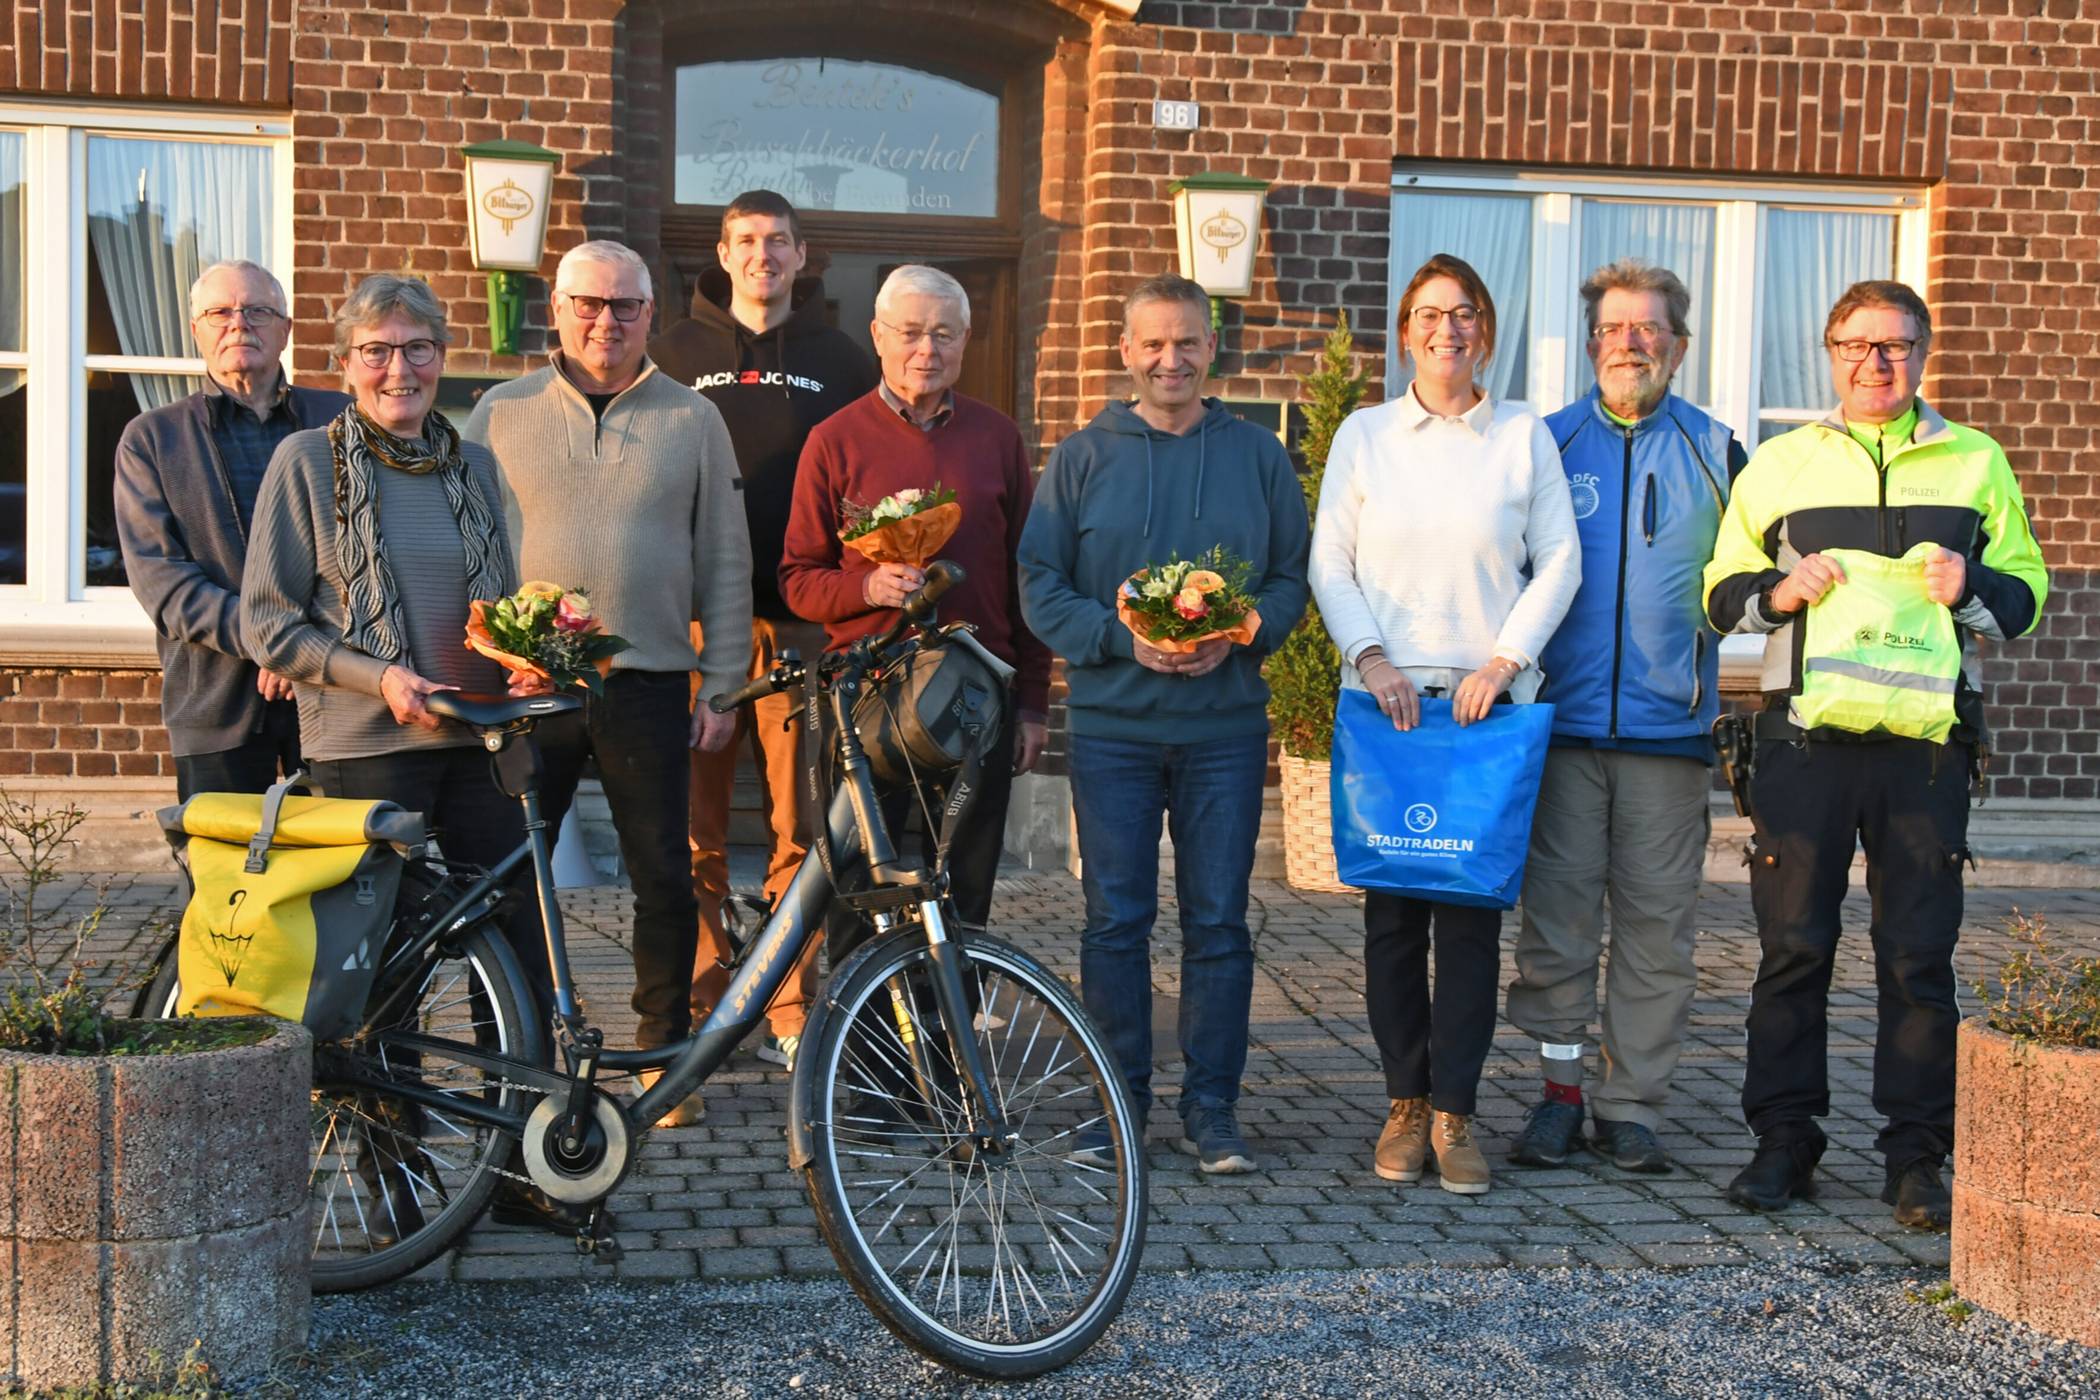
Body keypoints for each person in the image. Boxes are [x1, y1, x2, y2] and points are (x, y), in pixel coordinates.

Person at [241, 273, 588, 1236]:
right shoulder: (306, 465)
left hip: (477, 736)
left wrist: (526, 662)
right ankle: (395, 1171)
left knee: (515, 948)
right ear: (345, 364)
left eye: (420, 347)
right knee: (385, 970)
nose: (401, 367)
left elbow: (498, 605)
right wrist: (375, 677)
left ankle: (522, 1170)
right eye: (379, 350)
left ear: (442, 356)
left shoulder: (473, 467)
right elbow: (269, 625)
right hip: (366, 744)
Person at [1704, 280, 2047, 1230]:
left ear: (1923, 353)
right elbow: (1717, 590)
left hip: (1926, 754)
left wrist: (1970, 579)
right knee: (1792, 951)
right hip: (1803, 746)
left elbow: (2024, 599)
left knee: (1917, 959)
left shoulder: (1977, 461)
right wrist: (1776, 593)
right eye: (1857, 346)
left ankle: (1916, 1158)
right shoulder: (1781, 464)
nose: (1875, 363)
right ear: (1831, 353)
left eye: (1894, 345)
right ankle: (1785, 1144)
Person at [1018, 273, 1309, 1175]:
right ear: (1126, 352)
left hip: (1223, 729)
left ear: (1209, 349)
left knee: (1219, 921)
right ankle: (1120, 1103)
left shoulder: (1258, 455)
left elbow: (1293, 576)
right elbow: (1039, 581)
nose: (1170, 360)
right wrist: (1115, 640)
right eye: (1153, 344)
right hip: (1113, 728)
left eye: (1186, 342)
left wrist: (1244, 631)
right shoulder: (1080, 457)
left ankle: (1213, 1110)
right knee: (1116, 922)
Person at [1309, 253, 1580, 1197]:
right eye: (1429, 314)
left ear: (1486, 330)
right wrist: (1370, 657)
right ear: (1405, 332)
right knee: (1392, 917)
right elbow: (1330, 562)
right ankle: (1404, 1103)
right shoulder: (1366, 435)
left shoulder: (1522, 438)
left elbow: (1558, 563)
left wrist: (1503, 661)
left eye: (1464, 313)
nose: (1447, 329)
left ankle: (1458, 1113)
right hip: (1388, 702)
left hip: (1482, 710)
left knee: (1467, 922)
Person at [466, 240, 752, 1129]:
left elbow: (724, 555)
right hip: (527, 684)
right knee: (509, 880)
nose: (607, 321)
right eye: (589, 303)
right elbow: (463, 545)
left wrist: (727, 678)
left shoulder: (693, 419)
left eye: (626, 305)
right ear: (556, 307)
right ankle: (513, 1058)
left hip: (650, 681)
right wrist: (476, 658)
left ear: (649, 313)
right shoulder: (497, 412)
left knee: (664, 874)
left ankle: (662, 1057)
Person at [1505, 260, 1747, 1174]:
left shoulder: (1718, 451)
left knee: (1656, 934)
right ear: (1592, 343)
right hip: (1560, 733)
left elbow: (1754, 585)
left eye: (1648, 330)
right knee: (1558, 928)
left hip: (1670, 738)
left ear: (1679, 346)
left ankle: (1632, 1104)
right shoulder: (1545, 445)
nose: (1630, 344)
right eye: (1614, 329)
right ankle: (1560, 1094)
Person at [648, 190, 878, 1069]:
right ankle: (709, 1003)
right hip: (699, 627)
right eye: (747, 240)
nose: (762, 256)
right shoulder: (669, 355)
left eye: (778, 241)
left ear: (802, 253)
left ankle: (786, 1007)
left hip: (800, 630)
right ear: (724, 250)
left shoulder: (842, 359)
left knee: (799, 829)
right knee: (694, 831)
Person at [779, 263, 1052, 937]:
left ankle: (948, 1035)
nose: (926, 350)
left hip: (975, 697)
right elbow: (797, 578)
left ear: (964, 341)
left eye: (944, 334)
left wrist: (1035, 704)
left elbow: (1029, 576)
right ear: (877, 335)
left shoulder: (997, 439)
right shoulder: (833, 441)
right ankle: (859, 1041)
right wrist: (865, 586)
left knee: (962, 884)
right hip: (866, 698)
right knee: (854, 889)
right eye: (910, 332)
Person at [115, 259, 348, 798]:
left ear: (286, 330)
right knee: (224, 872)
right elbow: (163, 583)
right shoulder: (151, 439)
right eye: (220, 312)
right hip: (214, 700)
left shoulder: (342, 421)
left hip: (338, 697)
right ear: (195, 329)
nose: (239, 323)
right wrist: (279, 644)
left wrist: (311, 649)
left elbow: (374, 551)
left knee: (344, 872)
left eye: (258, 311)